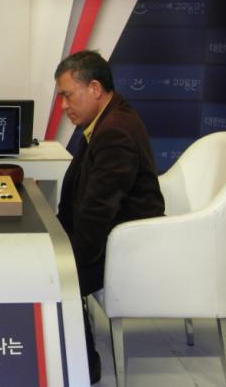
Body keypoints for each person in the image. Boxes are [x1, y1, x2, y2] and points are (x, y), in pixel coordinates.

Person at [54, 50, 164, 384]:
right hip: (110, 235)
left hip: (124, 246)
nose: (63, 106)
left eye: (67, 96)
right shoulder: (104, 120)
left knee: (53, 274)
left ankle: (83, 364)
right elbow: (82, 194)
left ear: (95, 88)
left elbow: (98, 211)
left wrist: (67, 260)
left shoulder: (115, 131)